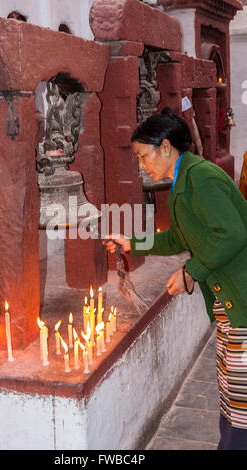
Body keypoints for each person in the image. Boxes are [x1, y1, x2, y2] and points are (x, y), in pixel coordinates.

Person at [104, 107, 247, 450]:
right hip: (228, 302)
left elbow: (231, 235)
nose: (141, 165)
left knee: (242, 405)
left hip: (242, 298)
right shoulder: (184, 181)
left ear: (165, 148)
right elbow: (178, 237)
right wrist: (132, 243)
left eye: (142, 155)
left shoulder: (202, 178)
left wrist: (190, 273)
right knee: (231, 394)